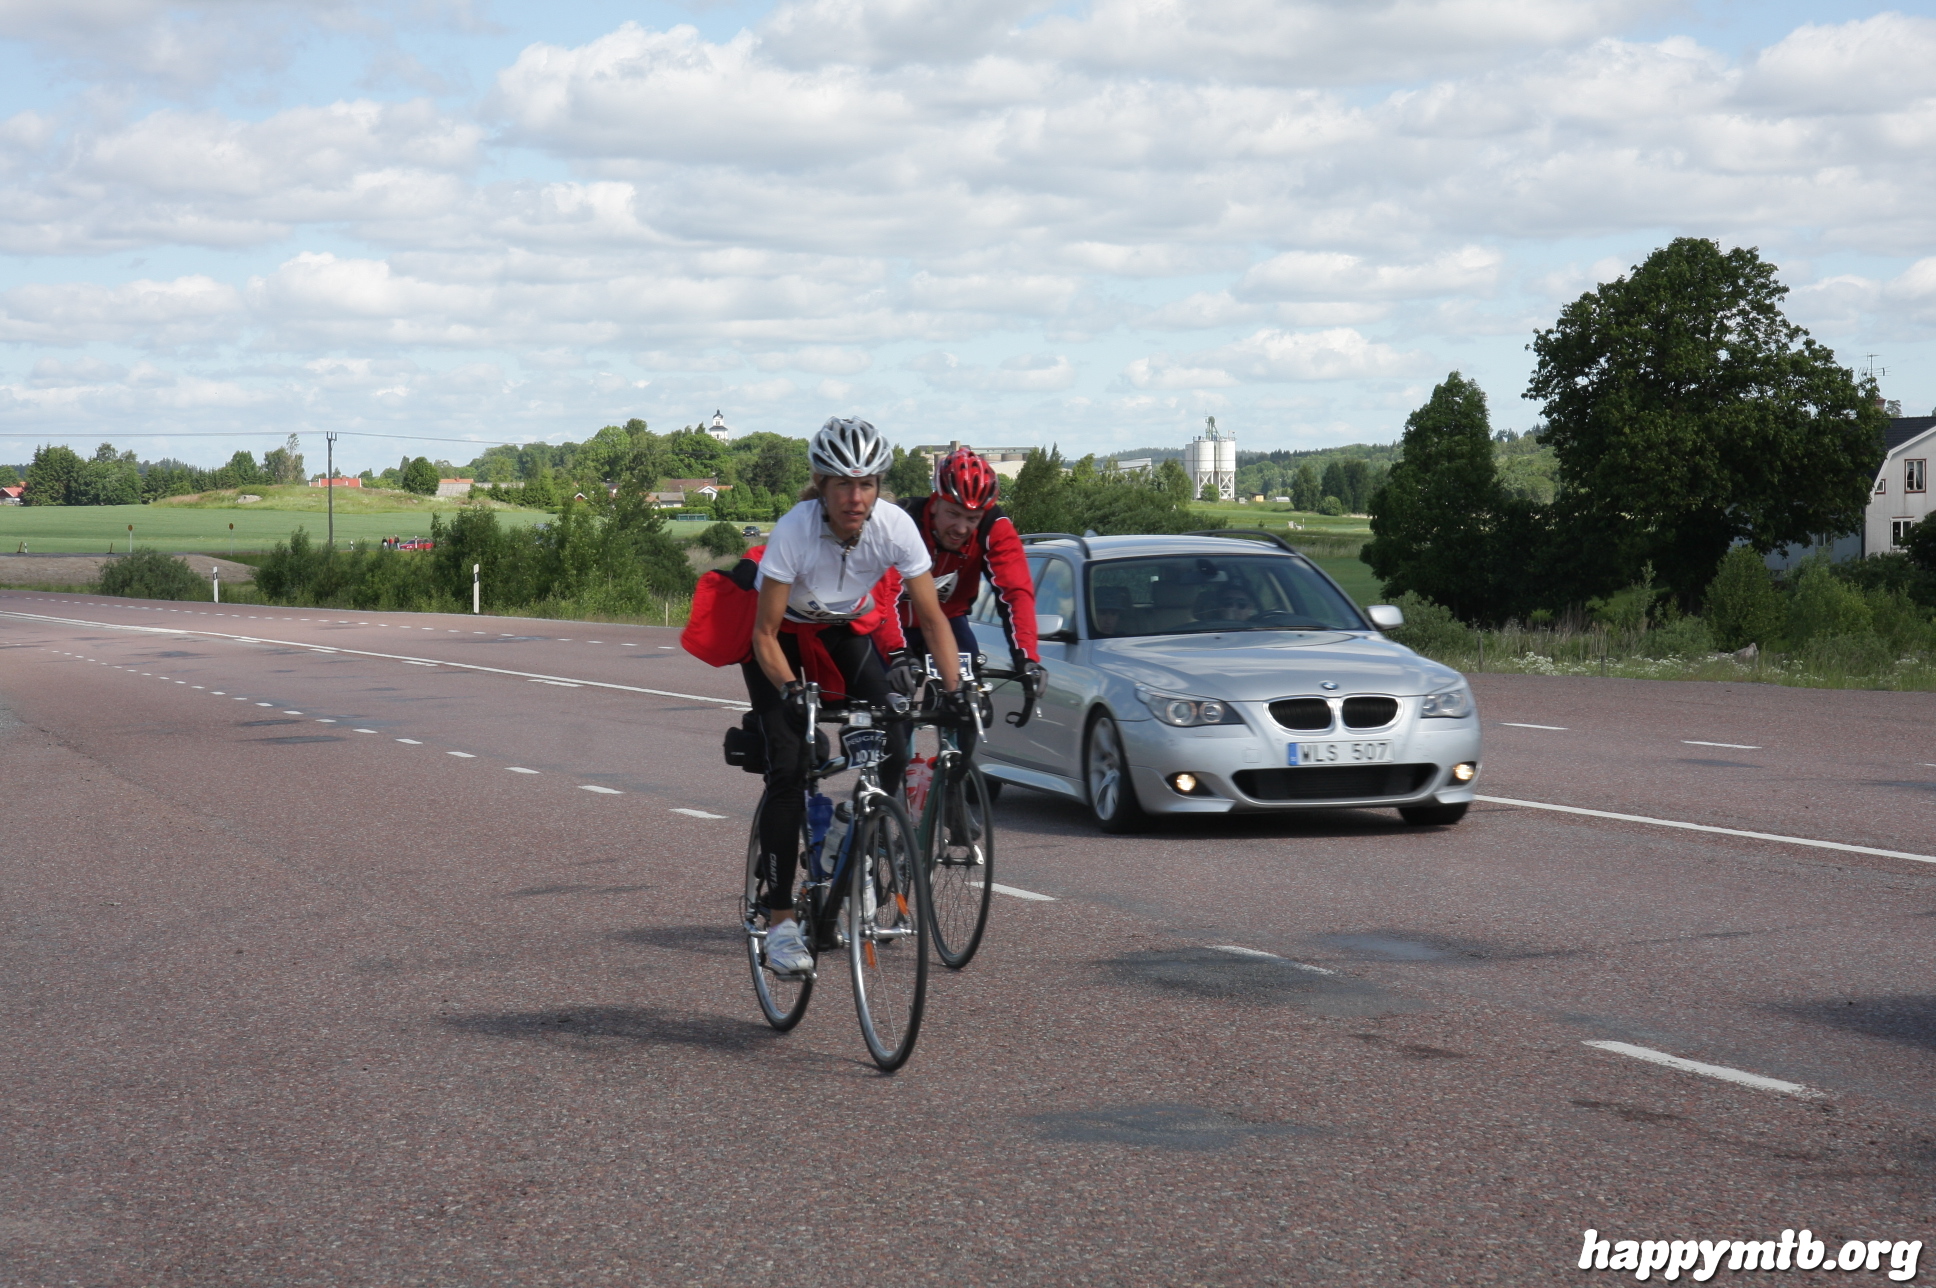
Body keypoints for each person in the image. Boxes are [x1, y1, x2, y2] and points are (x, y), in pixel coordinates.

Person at [747, 417, 965, 975]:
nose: (855, 497)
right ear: (821, 485)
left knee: (896, 731)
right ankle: (780, 923)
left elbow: (933, 620)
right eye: (843, 484)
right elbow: (763, 634)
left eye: (866, 483)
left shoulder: (894, 526)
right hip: (781, 641)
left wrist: (955, 692)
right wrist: (791, 691)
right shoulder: (795, 530)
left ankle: (851, 828)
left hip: (843, 629)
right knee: (789, 765)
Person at [891, 446, 1042, 685]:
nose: (961, 528)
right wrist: (897, 652)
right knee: (885, 697)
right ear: (935, 502)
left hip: (949, 621)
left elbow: (1016, 594)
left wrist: (1026, 657)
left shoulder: (994, 527)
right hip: (892, 622)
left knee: (969, 696)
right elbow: (877, 595)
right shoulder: (901, 521)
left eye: (972, 519)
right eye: (953, 514)